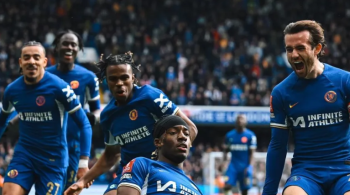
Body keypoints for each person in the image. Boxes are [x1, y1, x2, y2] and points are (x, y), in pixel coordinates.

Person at [64, 52, 198, 195]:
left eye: (124, 77)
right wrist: (83, 181)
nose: (119, 83)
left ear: (133, 78)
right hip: (127, 173)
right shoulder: (108, 116)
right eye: (113, 79)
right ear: (106, 81)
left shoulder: (150, 97)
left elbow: (190, 128)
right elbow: (111, 155)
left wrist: (175, 158)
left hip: (160, 169)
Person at [263, 20, 350, 195]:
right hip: (306, 173)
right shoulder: (281, 93)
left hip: (344, 170)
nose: (294, 55)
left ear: (317, 49)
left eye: (300, 48)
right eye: (289, 49)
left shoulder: (344, 82)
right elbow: (278, 146)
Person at [0, 41, 92, 195]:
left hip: (53, 160)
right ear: (20, 62)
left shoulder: (59, 88)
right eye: (27, 57)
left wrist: (83, 163)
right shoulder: (12, 90)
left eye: (36, 57)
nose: (31, 61)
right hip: (25, 156)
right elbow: (2, 121)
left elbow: (84, 123)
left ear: (44, 61)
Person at [46, 30, 101, 189]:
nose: (69, 47)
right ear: (56, 47)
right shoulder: (44, 76)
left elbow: (96, 110)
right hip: (48, 144)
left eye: (74, 44)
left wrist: (92, 118)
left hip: (74, 146)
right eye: (65, 43)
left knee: (69, 190)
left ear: (79, 49)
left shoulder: (88, 77)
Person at [117, 115, 202, 195]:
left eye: (186, 134)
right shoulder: (143, 165)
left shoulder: (196, 189)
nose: (183, 137)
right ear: (158, 142)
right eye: (173, 132)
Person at [223, 114, 257, 195]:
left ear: (246, 122)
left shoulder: (250, 136)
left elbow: (252, 153)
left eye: (242, 119)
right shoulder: (229, 135)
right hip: (233, 166)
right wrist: (223, 162)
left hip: (245, 167)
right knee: (227, 185)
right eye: (238, 119)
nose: (240, 120)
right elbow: (225, 151)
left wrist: (250, 167)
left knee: (244, 190)